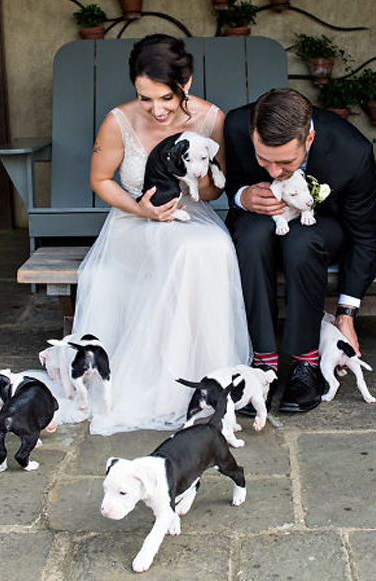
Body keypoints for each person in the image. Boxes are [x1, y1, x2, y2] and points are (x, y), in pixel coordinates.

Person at [72, 34, 250, 435]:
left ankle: (204, 378)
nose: (156, 109)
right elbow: (101, 180)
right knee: (189, 251)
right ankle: (160, 385)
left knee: (212, 247)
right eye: (145, 98)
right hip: (134, 222)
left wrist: (196, 177)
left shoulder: (211, 119)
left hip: (191, 216)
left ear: (185, 83)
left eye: (167, 98)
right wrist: (141, 209)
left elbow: (214, 191)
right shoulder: (118, 121)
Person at [224, 88, 376, 413]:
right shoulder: (236, 124)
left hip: (322, 228)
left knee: (301, 241)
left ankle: (306, 362)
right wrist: (243, 196)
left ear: (308, 139)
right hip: (261, 223)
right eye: (263, 159)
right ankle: (262, 361)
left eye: (284, 162)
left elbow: (365, 237)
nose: (272, 171)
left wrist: (347, 314)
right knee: (251, 236)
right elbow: (232, 183)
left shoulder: (353, 151)